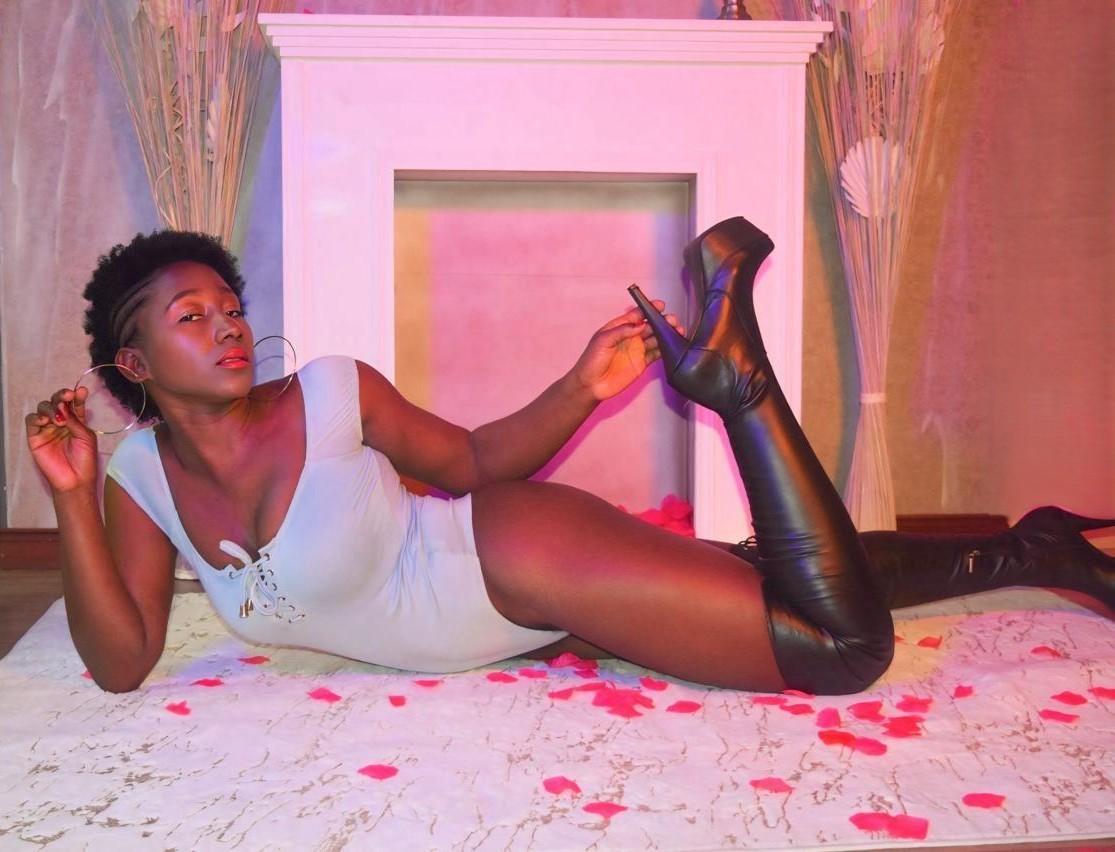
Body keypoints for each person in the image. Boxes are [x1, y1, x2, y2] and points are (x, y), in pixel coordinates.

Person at [26, 218, 1115, 696]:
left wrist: (578, 387)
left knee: (837, 649)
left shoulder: (330, 390)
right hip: (529, 635)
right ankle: (1036, 550)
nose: (226, 323)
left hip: (506, 560)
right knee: (758, 579)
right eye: (191, 316)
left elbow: (469, 461)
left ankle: (736, 384)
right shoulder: (136, 479)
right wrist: (71, 499)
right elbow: (121, 662)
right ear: (133, 361)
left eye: (229, 304)